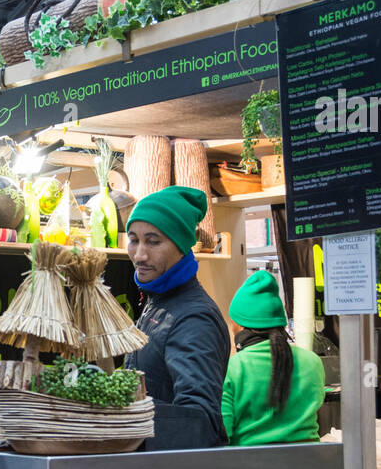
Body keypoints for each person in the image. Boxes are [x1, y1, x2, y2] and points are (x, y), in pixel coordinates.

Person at [123, 185, 231, 448]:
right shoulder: (157, 304)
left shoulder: (194, 318)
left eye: (153, 241)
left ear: (181, 246)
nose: (139, 255)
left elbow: (199, 421)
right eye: (134, 239)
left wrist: (116, 416)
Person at [221, 270, 325, 446]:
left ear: (238, 325)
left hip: (248, 468)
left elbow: (222, 433)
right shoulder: (313, 362)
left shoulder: (233, 368)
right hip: (311, 467)